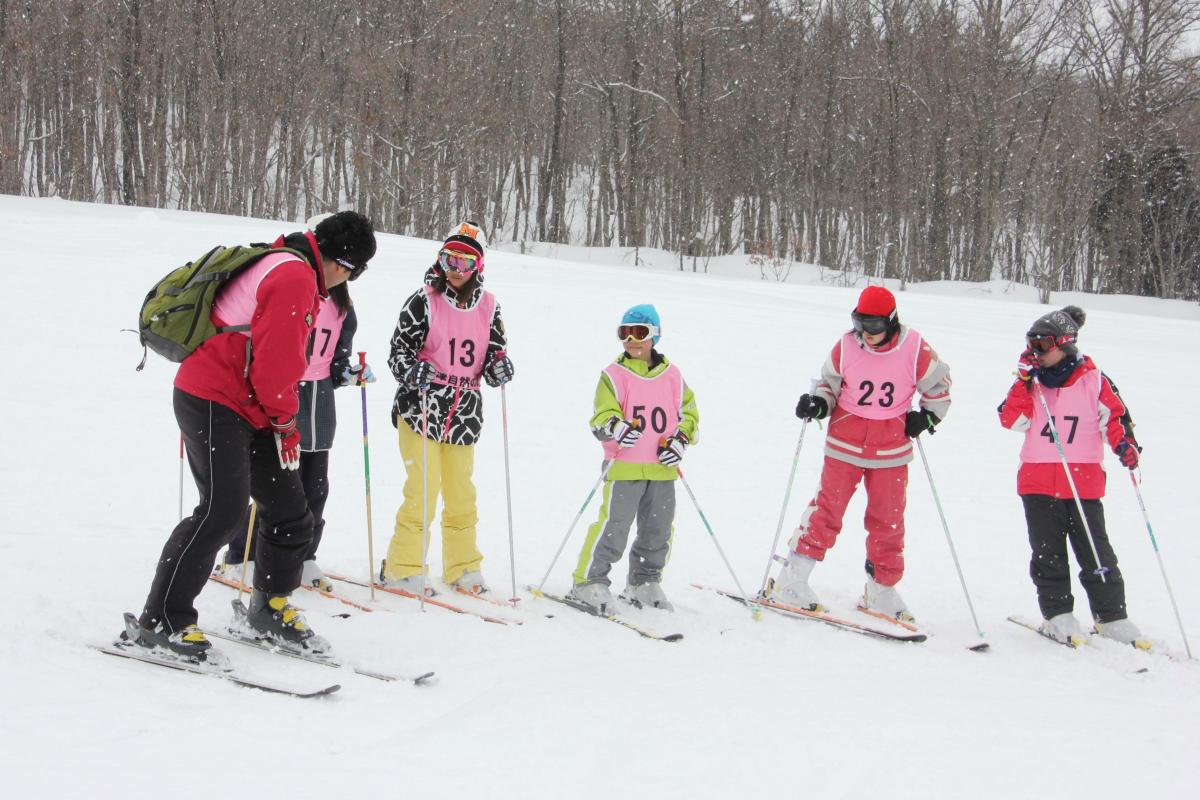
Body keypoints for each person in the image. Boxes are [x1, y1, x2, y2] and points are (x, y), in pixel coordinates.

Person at [129, 211, 377, 661]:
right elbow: (277, 363)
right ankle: (162, 619)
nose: (348, 280)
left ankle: (270, 607)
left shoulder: (288, 262)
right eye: (354, 272)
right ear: (343, 264)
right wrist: (286, 423)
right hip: (213, 398)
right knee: (221, 512)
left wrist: (277, 419)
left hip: (251, 406)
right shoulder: (293, 276)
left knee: (290, 512)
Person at [774, 285, 951, 622]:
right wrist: (818, 404)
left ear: (892, 322)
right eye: (860, 324)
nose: (866, 335)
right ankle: (792, 579)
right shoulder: (845, 346)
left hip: (891, 451)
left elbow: (939, 387)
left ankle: (880, 589)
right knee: (827, 512)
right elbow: (828, 384)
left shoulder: (916, 349)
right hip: (845, 445)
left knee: (888, 521)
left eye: (874, 327)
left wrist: (926, 416)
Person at [220, 214, 376, 593]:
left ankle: (304, 555)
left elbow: (338, 354)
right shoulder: (296, 284)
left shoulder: (341, 305)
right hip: (281, 389)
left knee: (314, 481)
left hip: (317, 392)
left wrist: (348, 373)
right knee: (271, 479)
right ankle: (243, 553)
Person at [998, 305, 1150, 649]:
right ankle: (1057, 614)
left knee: (1096, 552)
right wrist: (1023, 381)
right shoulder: (1030, 383)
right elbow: (1011, 420)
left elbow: (1116, 418)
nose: (1035, 352)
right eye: (1030, 344)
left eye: (1043, 345)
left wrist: (1125, 445)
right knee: (1047, 553)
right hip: (1037, 480)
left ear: (1064, 344)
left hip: (1082, 481)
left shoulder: (1094, 380)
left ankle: (1111, 616)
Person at [381, 222, 513, 595]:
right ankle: (402, 568)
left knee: (461, 494)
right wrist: (411, 370)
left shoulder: (489, 307)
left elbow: (493, 354)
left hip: (464, 414)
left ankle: (463, 567)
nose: (455, 267)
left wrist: (499, 367)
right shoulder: (423, 300)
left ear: (479, 266)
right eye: (449, 258)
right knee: (422, 490)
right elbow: (398, 353)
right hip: (422, 409)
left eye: (465, 261)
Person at [568, 304, 700, 614]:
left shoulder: (673, 375)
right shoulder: (614, 374)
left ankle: (644, 581)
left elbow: (689, 413)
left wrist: (680, 440)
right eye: (624, 333)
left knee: (658, 529)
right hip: (624, 465)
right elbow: (602, 413)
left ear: (654, 335)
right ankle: (589, 580)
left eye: (638, 333)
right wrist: (616, 427)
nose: (631, 340)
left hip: (663, 468)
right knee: (614, 525)